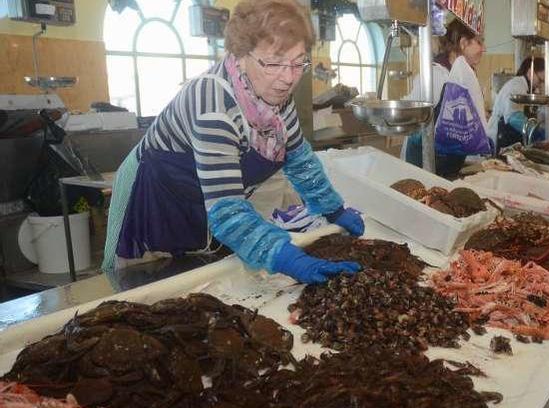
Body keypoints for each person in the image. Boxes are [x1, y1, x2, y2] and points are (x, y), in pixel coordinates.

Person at [102, 0, 362, 284]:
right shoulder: (214, 105)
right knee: (147, 287)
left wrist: (333, 208)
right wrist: (289, 259)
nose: (288, 78)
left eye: (298, 62)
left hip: (201, 201)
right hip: (152, 197)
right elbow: (226, 211)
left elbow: (299, 159)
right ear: (241, 54)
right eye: (274, 63)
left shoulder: (276, 98)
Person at [402, 19, 485, 176]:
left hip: (448, 165)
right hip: (425, 165)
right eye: (479, 43)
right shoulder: (435, 75)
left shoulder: (463, 77)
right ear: (463, 43)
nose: (483, 48)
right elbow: (412, 120)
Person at [488, 57, 546, 149]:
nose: (540, 84)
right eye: (540, 80)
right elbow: (514, 117)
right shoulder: (516, 85)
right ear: (531, 73)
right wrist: (534, 130)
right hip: (502, 133)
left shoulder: (527, 87)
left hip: (512, 134)